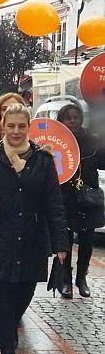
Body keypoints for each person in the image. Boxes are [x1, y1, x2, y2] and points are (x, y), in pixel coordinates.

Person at [0, 103, 69, 354]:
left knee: (24, 292)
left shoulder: (42, 160)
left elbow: (53, 203)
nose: (16, 131)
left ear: (28, 127)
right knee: (2, 295)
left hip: (32, 239)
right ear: (3, 126)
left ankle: (9, 327)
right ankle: (6, 352)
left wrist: (61, 244)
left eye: (22, 126)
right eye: (11, 125)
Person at [57, 103, 105, 299]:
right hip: (64, 197)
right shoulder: (57, 141)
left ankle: (81, 278)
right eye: (68, 117)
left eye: (76, 116)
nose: (73, 120)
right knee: (65, 241)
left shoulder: (91, 141)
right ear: (61, 121)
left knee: (86, 241)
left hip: (87, 199)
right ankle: (66, 280)